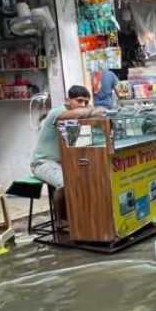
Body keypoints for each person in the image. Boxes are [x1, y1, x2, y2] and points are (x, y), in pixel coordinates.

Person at [30, 85, 107, 226]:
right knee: (65, 182)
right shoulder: (57, 112)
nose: (82, 105)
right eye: (79, 101)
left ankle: (86, 217)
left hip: (63, 162)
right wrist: (92, 109)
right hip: (43, 162)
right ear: (68, 100)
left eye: (85, 102)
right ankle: (61, 221)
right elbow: (80, 114)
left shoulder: (79, 116)